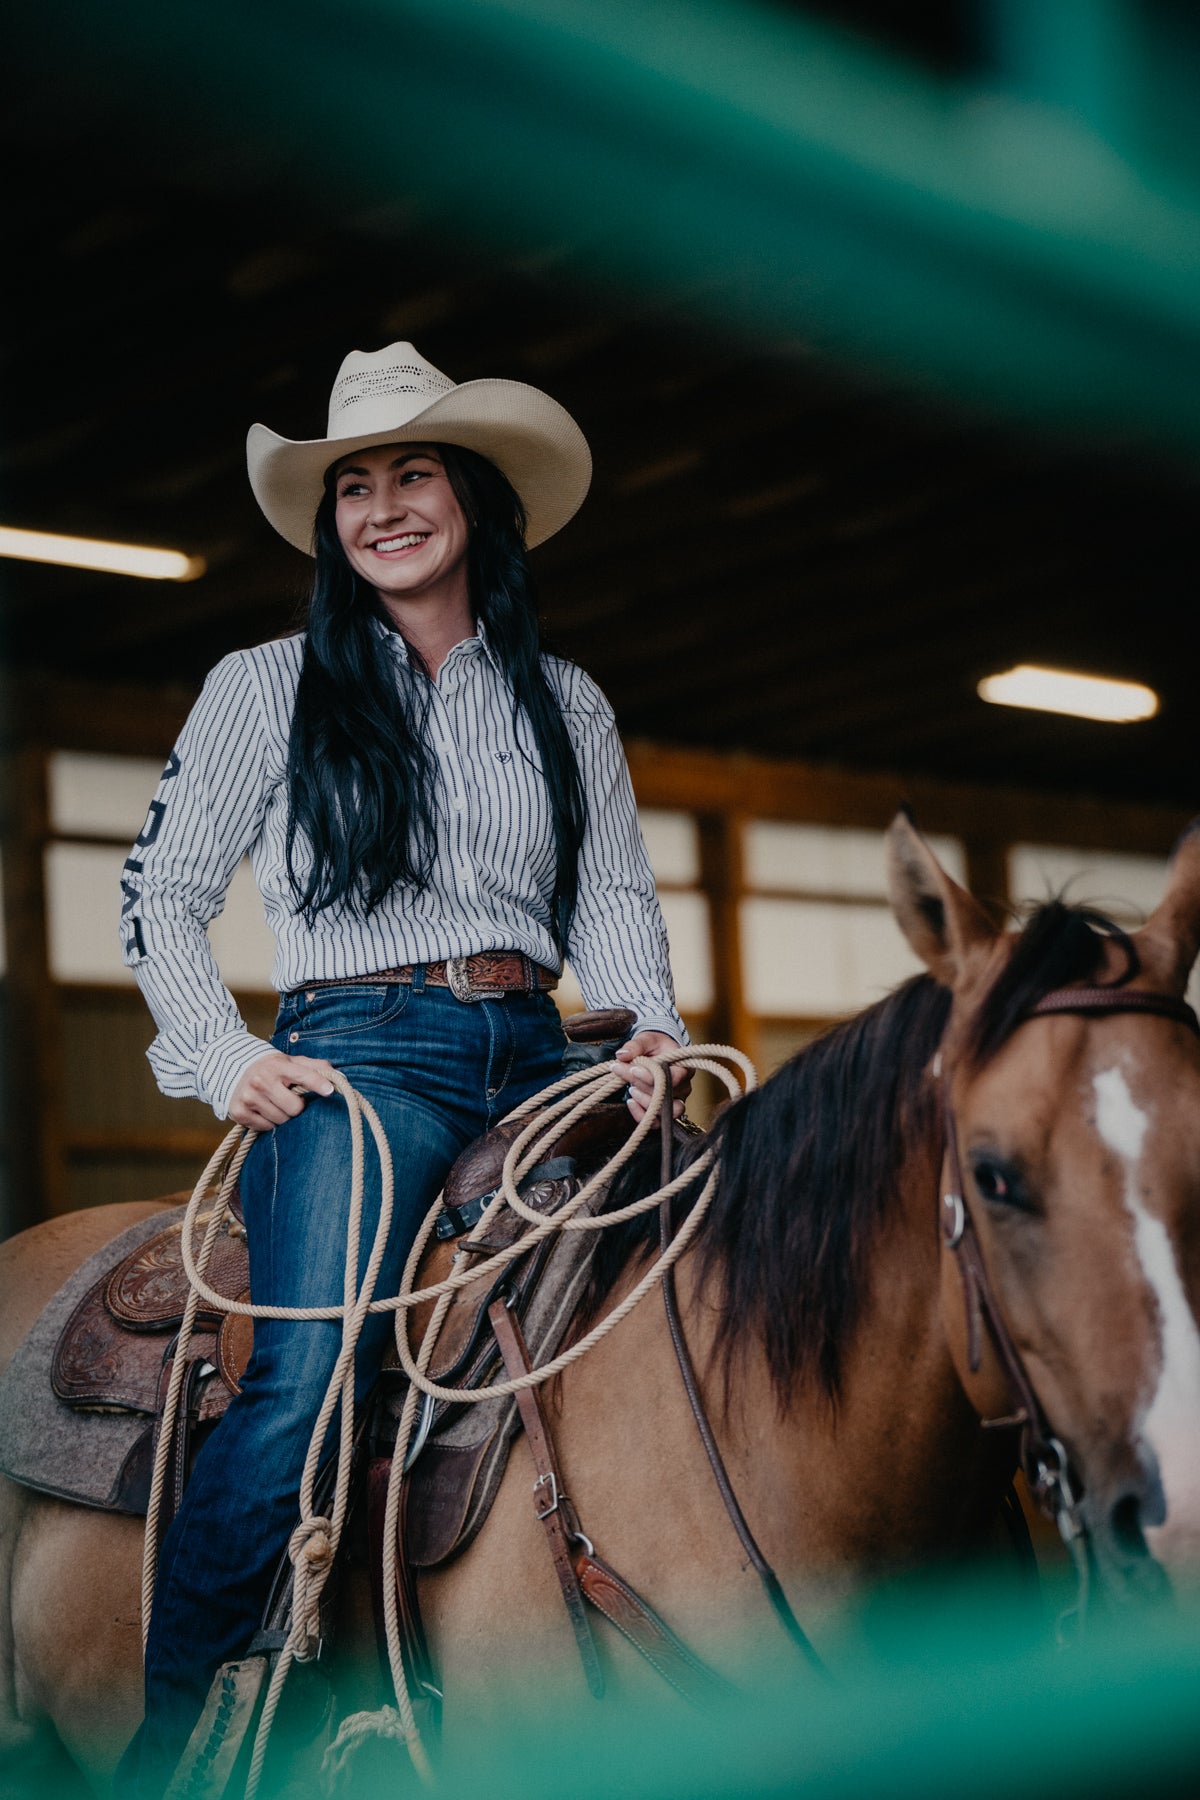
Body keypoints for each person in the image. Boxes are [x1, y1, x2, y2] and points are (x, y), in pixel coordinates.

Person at [117, 340, 689, 1792]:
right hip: (362, 1058)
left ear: (474, 500)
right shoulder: (264, 686)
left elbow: (614, 895)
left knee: (699, 1280)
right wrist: (219, 1052)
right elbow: (160, 891)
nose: (382, 507)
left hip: (544, 1046)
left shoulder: (568, 701)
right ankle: (173, 1742)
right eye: (354, 485)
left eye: (412, 474)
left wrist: (648, 1029)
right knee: (304, 1374)